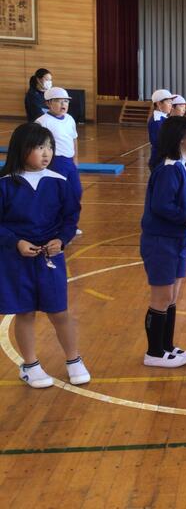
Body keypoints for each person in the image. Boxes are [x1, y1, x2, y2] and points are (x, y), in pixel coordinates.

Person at [0, 123, 90, 388]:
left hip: (50, 258)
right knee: (25, 312)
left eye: (49, 147)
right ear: (22, 148)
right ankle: (30, 365)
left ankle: (74, 359)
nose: (47, 152)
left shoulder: (59, 181)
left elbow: (70, 218)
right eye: (40, 147)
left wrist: (61, 240)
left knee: (59, 311)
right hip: (15, 260)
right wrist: (15, 242)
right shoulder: (5, 183)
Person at [140, 116, 186, 368]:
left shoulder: (179, 166)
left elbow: (175, 202)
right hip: (161, 241)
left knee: (172, 295)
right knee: (162, 296)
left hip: (177, 239)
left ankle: (167, 346)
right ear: (181, 139)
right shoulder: (168, 169)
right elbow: (161, 206)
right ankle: (154, 352)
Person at [35, 87, 82, 207]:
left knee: (76, 191)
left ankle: (70, 217)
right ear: (48, 103)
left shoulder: (70, 119)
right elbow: (36, 146)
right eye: (58, 101)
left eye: (66, 101)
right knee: (57, 194)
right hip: (54, 162)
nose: (63, 104)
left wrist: (75, 158)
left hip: (69, 161)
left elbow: (74, 139)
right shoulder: (42, 122)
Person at [147, 89, 176, 171]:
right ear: (159, 104)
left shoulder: (164, 118)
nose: (171, 105)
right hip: (160, 162)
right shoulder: (157, 121)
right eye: (168, 102)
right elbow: (159, 143)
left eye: (171, 102)